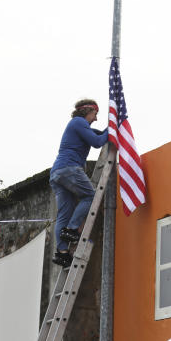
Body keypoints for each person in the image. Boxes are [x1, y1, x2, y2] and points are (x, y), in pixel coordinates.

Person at [49, 98, 109, 267]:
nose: (95, 118)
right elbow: (98, 142)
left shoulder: (77, 125)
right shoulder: (78, 122)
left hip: (57, 173)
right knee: (90, 196)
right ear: (87, 111)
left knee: (64, 213)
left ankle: (62, 253)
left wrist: (112, 126)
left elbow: (100, 134)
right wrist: (114, 126)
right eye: (95, 114)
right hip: (70, 169)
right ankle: (72, 229)